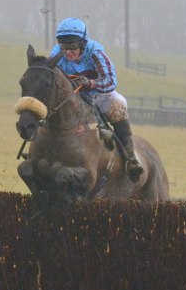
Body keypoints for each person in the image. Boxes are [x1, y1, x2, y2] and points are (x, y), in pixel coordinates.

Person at [50, 17, 144, 182]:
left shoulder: (96, 54)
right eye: (64, 46)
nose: (68, 52)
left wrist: (90, 83)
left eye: (72, 46)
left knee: (118, 104)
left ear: (83, 43)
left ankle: (130, 158)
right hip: (74, 97)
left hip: (101, 96)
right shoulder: (56, 55)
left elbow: (110, 81)